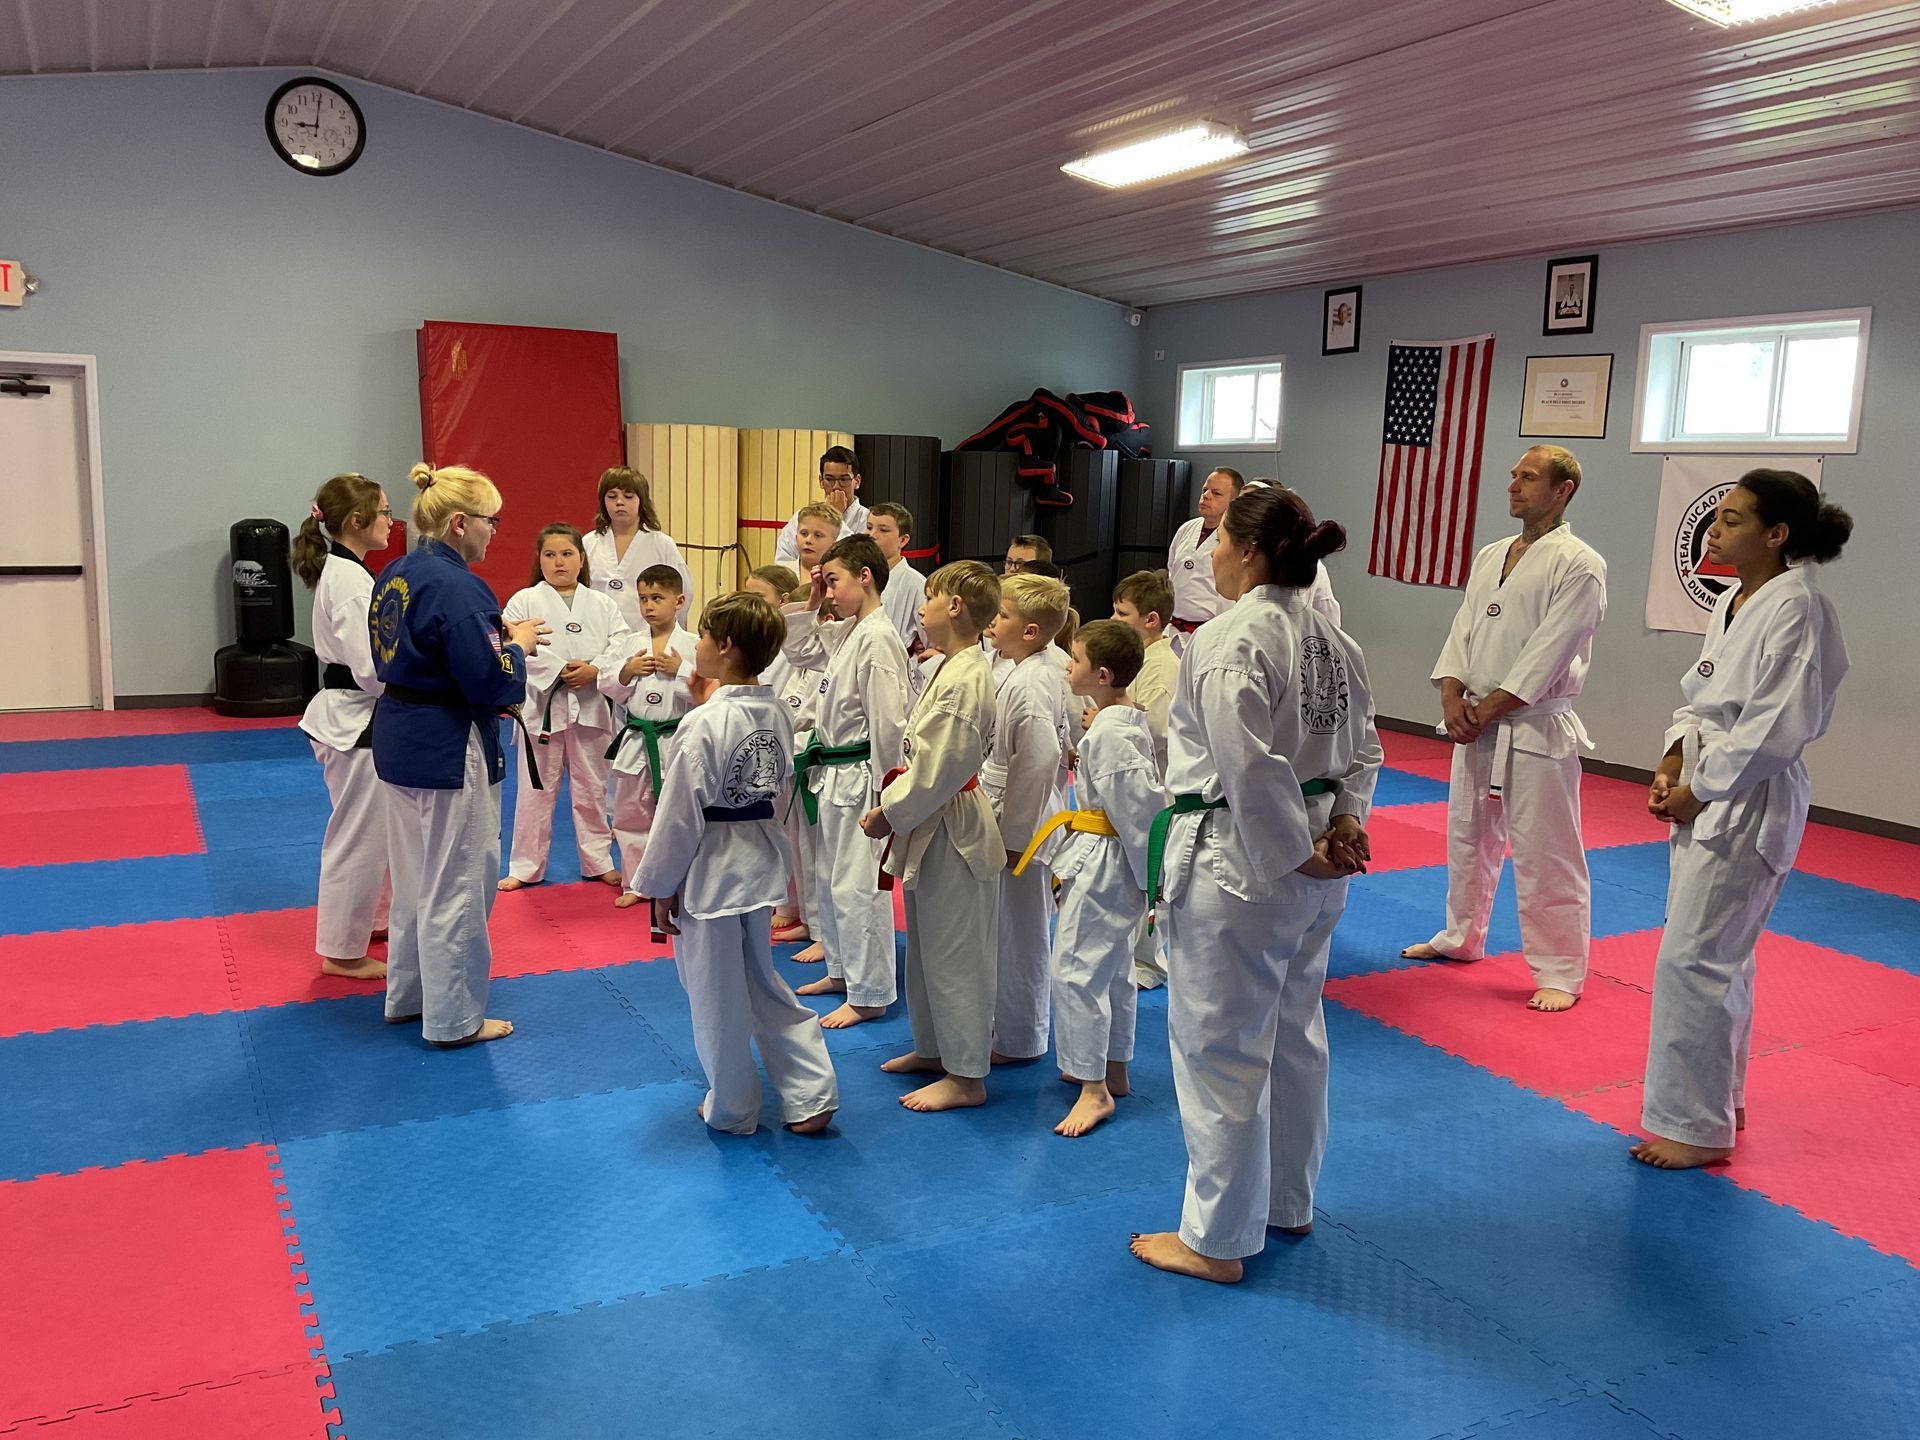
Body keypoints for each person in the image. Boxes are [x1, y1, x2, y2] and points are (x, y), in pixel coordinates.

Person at [1131, 484, 1381, 1285]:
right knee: (1294, 1033)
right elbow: (1364, 749)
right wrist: (1341, 824)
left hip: (1239, 862)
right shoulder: (1335, 640)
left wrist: (1293, 847)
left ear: (1250, 551)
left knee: (1221, 1048)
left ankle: (1217, 1239)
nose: (1208, 554)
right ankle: (1288, 1201)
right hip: (1313, 862)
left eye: (1219, 542)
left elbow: (1246, 762)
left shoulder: (1227, 638)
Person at [1632, 471, 1851, 1170]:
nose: (1714, 530)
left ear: (1775, 534)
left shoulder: (1799, 608)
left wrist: (1703, 788)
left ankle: (1695, 1127)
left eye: (1731, 520)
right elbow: (1701, 695)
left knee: (1694, 959)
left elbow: (1778, 725)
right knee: (1718, 955)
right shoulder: (1733, 598)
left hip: (1748, 796)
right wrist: (1672, 761)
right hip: (1707, 784)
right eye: (1716, 516)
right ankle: (1721, 1098)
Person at [1401, 446, 1608, 1012]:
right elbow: (1463, 630)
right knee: (1466, 838)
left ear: (1563, 490)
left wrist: (1487, 707)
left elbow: (1551, 649)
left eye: (1529, 477)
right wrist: (1451, 694)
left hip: (1536, 729)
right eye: (1514, 475)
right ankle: (1461, 937)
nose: (1513, 485)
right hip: (1475, 722)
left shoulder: (1580, 564)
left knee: (1547, 851)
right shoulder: (1492, 554)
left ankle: (1561, 969)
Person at [632, 592, 839, 1137]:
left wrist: (659, 885)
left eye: (701, 635)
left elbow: (679, 817)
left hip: (711, 871)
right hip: (761, 860)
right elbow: (781, 789)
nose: (695, 644)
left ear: (723, 647)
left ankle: (733, 1107)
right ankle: (811, 1091)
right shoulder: (774, 711)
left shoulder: (702, 725)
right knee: (762, 983)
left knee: (715, 994)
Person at [370, 462, 548, 1049]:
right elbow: (489, 682)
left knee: (415, 878)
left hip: (399, 736)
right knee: (459, 883)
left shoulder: (394, 571)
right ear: (459, 522)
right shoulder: (460, 585)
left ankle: (409, 997)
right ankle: (453, 1019)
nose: (496, 532)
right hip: (449, 743)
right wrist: (516, 647)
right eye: (492, 521)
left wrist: (493, 633)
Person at [860, 561, 1005, 1112]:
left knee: (956, 955)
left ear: (955, 608)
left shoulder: (966, 677)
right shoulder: (950, 666)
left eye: (931, 596)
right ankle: (934, 1048)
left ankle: (967, 1076)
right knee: (924, 948)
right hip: (935, 820)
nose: (920, 604)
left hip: (953, 823)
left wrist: (887, 813)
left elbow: (939, 769)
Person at [1022, 618, 1159, 1137]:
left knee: (1076, 970)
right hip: (1103, 853)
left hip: (1107, 861)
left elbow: (1140, 810)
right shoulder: (1114, 723)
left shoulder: (1113, 735)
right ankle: (1113, 1068)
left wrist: (1156, 879)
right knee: (1113, 968)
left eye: (1074, 659)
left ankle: (1093, 1087)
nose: (1068, 665)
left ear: (1101, 674)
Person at [782, 534, 913, 1028]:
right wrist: (810, 602)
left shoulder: (878, 638)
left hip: (862, 776)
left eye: (834, 580)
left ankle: (871, 991)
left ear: (865, 576)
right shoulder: (854, 631)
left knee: (861, 888)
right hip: (833, 774)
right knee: (833, 881)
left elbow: (889, 725)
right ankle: (841, 971)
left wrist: (889, 794)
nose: (829, 591)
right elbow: (800, 653)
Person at [293, 472, 393, 982]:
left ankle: (373, 921)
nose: (391, 521)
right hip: (354, 719)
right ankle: (341, 951)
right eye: (384, 512)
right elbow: (371, 669)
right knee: (357, 835)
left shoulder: (347, 570)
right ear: (357, 521)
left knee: (379, 830)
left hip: (350, 715)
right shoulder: (352, 580)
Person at [498, 524, 629, 892]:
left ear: (581, 559)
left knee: (593, 788)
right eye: (550, 554)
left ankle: (598, 860)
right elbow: (514, 644)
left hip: (590, 706)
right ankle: (525, 865)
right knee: (535, 790)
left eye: (567, 554)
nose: (559, 562)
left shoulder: (603, 603)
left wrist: (594, 669)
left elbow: (620, 645)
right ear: (539, 560)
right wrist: (558, 669)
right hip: (542, 708)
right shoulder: (523, 601)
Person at [983, 573, 1074, 1065]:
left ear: (1032, 630)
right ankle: (1009, 1026)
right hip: (1013, 809)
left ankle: (1022, 1038)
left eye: (1002, 614)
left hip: (1028, 822)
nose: (993, 622)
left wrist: (1017, 836)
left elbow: (1040, 759)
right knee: (1007, 930)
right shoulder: (1018, 668)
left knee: (1024, 934)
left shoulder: (1036, 681)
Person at [600, 564, 697, 909]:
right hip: (637, 739)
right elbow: (606, 683)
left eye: (658, 597)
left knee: (672, 815)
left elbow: (705, 692)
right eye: (643, 598)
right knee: (630, 814)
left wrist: (681, 670)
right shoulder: (629, 644)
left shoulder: (693, 645)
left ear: (679, 601)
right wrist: (626, 671)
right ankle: (635, 882)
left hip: (675, 741)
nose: (649, 606)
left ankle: (675, 881)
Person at [779, 504, 842, 962]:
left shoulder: (852, 635)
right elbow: (798, 650)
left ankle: (824, 930)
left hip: (830, 763)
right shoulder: (818, 635)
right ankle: (812, 921)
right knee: (803, 849)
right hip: (803, 758)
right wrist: (813, 601)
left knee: (824, 856)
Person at [1111, 568, 1180, 990]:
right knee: (1131, 871)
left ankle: (1150, 961)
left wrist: (1111, 715)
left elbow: (1156, 727)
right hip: (1132, 776)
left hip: (1159, 779)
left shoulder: (1165, 665)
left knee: (1153, 875)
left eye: (1122, 613)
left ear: (1150, 620)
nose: (1114, 620)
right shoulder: (1137, 658)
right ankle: (1132, 952)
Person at [746, 564, 818, 946]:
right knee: (786, 836)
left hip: (809, 758)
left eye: (758, 598)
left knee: (811, 848)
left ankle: (813, 919)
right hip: (780, 750)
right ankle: (792, 906)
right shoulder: (781, 650)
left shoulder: (810, 659)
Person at [582, 466, 693, 634]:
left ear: (641, 500)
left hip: (647, 637)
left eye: (628, 496)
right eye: (612, 496)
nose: (619, 502)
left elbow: (683, 592)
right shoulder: (589, 543)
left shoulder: (661, 544)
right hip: (598, 636)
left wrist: (669, 634)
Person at [1166, 467, 1244, 642]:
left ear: (1234, 501)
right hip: (1173, 629)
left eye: (1216, 493)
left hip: (1211, 634)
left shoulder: (1236, 540)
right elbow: (1171, 571)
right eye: (1204, 490)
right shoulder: (1186, 529)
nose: (1206, 496)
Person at [773, 445, 869, 567]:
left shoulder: (868, 520)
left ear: (857, 481)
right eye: (829, 479)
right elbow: (782, 562)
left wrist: (836, 517)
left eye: (844, 480)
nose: (836, 486)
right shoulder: (802, 517)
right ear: (821, 481)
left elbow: (860, 563)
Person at [868, 502, 929, 657]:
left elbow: (930, 640)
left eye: (883, 530)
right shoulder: (859, 577)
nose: (872, 535)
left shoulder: (916, 584)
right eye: (869, 527)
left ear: (903, 540)